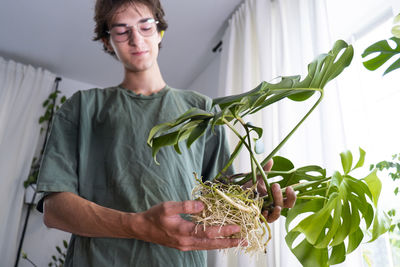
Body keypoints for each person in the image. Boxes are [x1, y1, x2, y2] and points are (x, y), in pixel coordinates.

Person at [36, 0, 296, 266]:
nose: (136, 39)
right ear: (106, 41)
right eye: (122, 30)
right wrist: (137, 225)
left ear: (159, 30)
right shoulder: (82, 108)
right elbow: (54, 210)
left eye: (145, 26)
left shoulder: (202, 109)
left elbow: (221, 205)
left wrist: (252, 201)